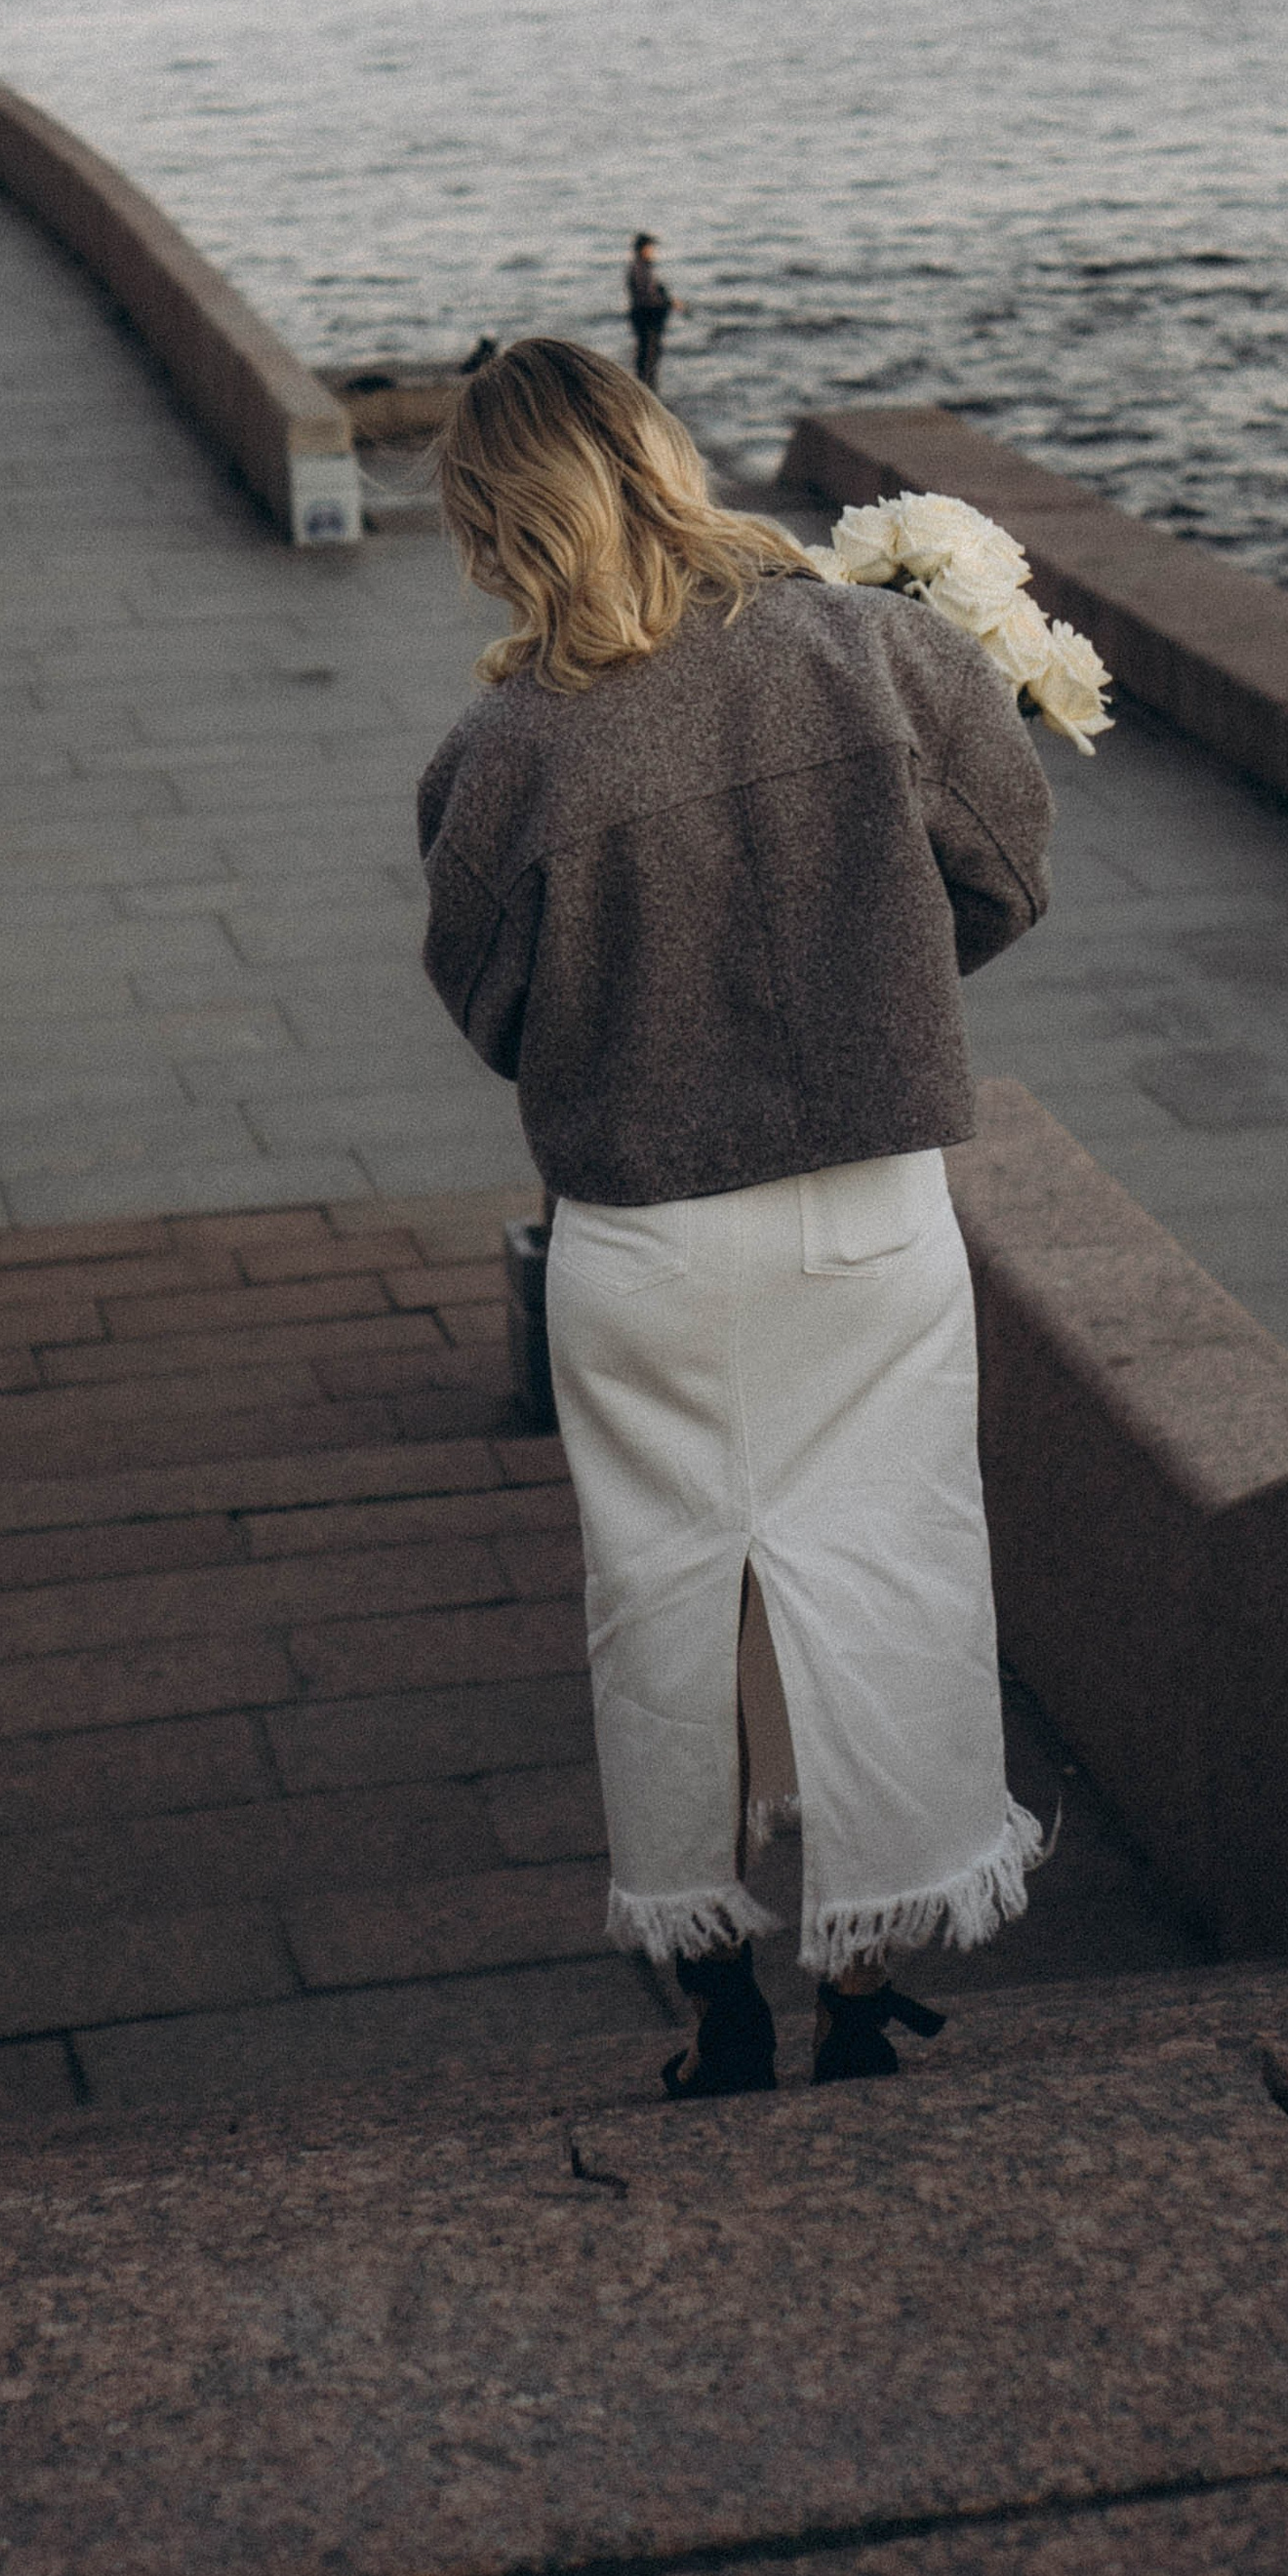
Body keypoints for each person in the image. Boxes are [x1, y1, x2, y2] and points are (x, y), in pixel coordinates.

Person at [419, 340, 1053, 2096]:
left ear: (493, 522)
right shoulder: (877, 652)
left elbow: (494, 1011)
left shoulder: (500, 753)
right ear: (660, 453)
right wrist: (873, 989)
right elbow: (1005, 876)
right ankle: (864, 1980)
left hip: (642, 1239)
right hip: (866, 1211)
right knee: (886, 1562)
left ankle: (716, 1999)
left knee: (667, 1593)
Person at [625, 233, 672, 386]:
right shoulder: (639, 269)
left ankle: (647, 387)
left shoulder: (643, 267)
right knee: (648, 356)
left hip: (647, 316)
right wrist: (668, 302)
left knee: (648, 355)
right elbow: (646, 297)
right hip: (646, 317)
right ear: (642, 249)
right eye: (650, 247)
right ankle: (646, 389)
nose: (652, 251)